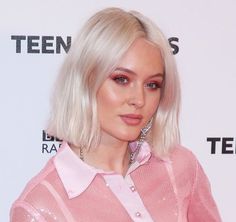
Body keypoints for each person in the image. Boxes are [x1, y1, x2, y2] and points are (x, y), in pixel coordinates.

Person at [10, 7, 221, 222]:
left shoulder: (180, 167)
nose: (138, 99)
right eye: (121, 79)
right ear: (86, 80)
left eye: (152, 84)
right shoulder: (40, 207)